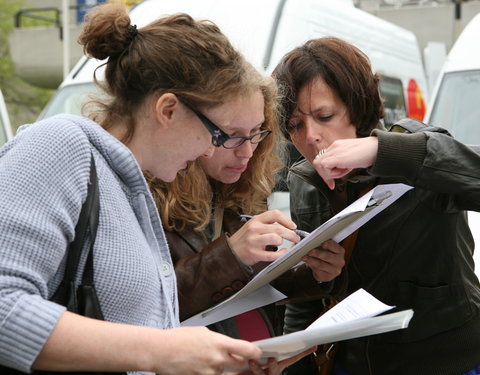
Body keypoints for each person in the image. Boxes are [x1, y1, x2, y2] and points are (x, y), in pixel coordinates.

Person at [0, 3, 301, 374]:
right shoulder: (61, 144)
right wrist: (161, 350)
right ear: (168, 109)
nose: (210, 149)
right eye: (218, 133)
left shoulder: (131, 187)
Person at [272, 36, 480, 375]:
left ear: (357, 107)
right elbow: (308, 305)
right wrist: (322, 278)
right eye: (295, 125)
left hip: (445, 363)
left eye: (325, 115)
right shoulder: (304, 182)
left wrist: (380, 153)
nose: (311, 135)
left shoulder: (414, 149)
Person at [147, 58, 345, 353]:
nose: (248, 151)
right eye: (233, 136)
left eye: (256, 134)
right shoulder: (149, 194)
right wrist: (232, 254)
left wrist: (312, 272)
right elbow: (147, 301)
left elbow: (247, 290)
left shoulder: (223, 188)